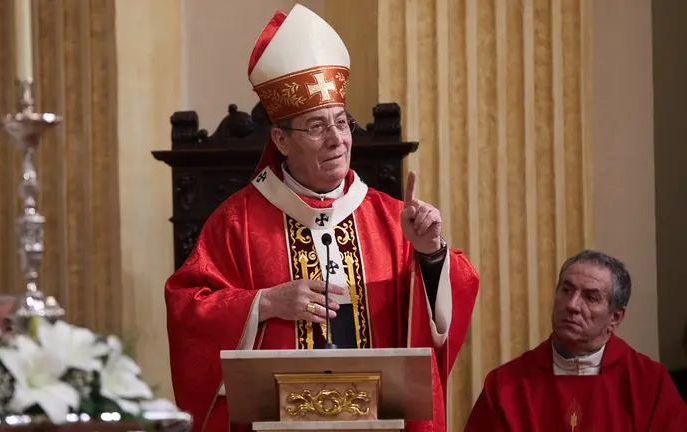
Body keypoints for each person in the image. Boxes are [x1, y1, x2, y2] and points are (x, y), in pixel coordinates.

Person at [164, 5, 480, 432]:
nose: (337, 140)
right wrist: (267, 303)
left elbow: (442, 319)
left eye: (341, 123)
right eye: (316, 127)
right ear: (281, 140)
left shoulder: (391, 220)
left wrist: (431, 255)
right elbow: (188, 309)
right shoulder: (237, 222)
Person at [464, 250, 687, 431]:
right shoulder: (505, 386)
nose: (572, 305)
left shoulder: (649, 384)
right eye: (566, 290)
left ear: (615, 317)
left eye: (590, 297)